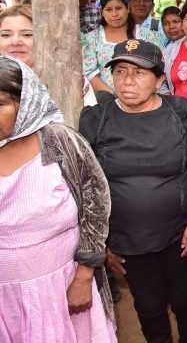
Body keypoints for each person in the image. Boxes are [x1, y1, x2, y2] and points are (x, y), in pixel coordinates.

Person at [79, 39, 187, 343]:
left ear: (160, 79)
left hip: (180, 234)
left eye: (139, 72)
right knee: (149, 307)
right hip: (127, 240)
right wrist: (103, 243)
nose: (127, 80)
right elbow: (87, 187)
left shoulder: (182, 113)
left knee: (185, 301)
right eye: (120, 71)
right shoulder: (97, 120)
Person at [0, 57, 116, 343]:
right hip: (6, 296)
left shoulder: (58, 140)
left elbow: (96, 203)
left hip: (63, 284)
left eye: (0, 104)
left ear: (24, 103)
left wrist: (84, 276)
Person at [82, 0, 162, 93]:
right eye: (109, 9)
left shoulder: (148, 35)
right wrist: (116, 97)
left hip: (145, 96)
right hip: (106, 99)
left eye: (118, 8)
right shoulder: (92, 38)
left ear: (128, 8)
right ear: (102, 12)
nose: (114, 14)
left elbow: (159, 66)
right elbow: (90, 73)